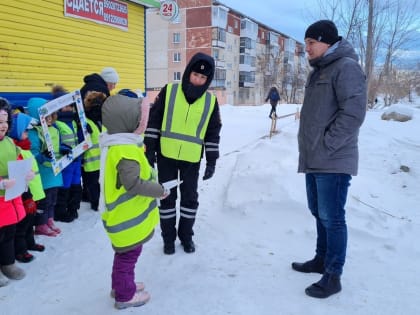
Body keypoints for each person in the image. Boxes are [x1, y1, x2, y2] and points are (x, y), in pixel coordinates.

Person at [292, 20, 367, 298]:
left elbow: (354, 113)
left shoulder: (346, 67)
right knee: (318, 211)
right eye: (306, 43)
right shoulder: (322, 69)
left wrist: (327, 144)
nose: (307, 48)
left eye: (311, 42)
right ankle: (321, 259)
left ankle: (333, 275)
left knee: (333, 217)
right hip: (315, 157)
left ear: (327, 41)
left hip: (332, 159)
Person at [144, 52, 222, 255]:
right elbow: (154, 121)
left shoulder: (210, 102)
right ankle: (168, 239)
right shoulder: (169, 91)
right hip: (166, 156)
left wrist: (211, 161)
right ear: (188, 72)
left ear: (208, 80)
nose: (198, 80)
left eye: (203, 78)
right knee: (166, 199)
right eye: (195, 75)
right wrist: (149, 150)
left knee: (189, 200)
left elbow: (212, 133)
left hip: (191, 160)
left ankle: (186, 237)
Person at [99, 92, 169, 309]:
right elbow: (133, 183)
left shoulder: (119, 142)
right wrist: (159, 190)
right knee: (127, 257)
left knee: (123, 256)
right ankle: (124, 295)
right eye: (142, 120)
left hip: (123, 217)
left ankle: (120, 285)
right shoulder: (125, 150)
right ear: (130, 122)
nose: (144, 124)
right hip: (126, 219)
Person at [0, 98, 33, 286]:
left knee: (9, 234)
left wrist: (26, 174)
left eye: (5, 121)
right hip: (1, 196)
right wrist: (2, 184)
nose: (3, 126)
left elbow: (20, 160)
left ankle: (8, 263)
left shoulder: (11, 143)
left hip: (11, 199)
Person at [10, 112, 46, 262]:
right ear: (17, 133)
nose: (28, 134)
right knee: (22, 226)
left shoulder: (25, 148)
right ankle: (20, 251)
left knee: (30, 222)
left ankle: (30, 243)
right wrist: (27, 196)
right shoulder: (16, 151)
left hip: (34, 192)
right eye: (25, 131)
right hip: (26, 194)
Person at [27, 97, 63, 236]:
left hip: (54, 170)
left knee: (53, 199)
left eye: (51, 114)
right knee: (44, 200)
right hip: (43, 173)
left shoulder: (54, 129)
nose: (49, 118)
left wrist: (64, 149)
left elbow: (57, 146)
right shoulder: (34, 132)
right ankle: (40, 224)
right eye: (45, 115)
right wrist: (42, 156)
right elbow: (32, 152)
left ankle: (49, 219)